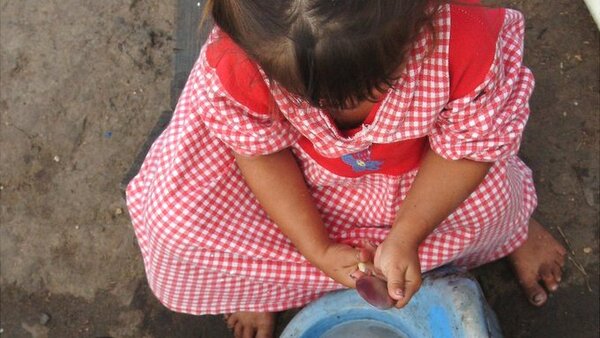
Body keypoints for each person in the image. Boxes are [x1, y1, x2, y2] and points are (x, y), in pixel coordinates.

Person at [126, 0, 567, 337]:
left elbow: (470, 149)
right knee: (177, 225)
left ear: (419, 21)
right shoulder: (241, 58)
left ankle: (513, 232)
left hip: (432, 170)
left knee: (491, 202)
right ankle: (256, 288)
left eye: (373, 87)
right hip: (300, 171)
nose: (342, 112)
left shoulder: (462, 37)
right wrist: (316, 246)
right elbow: (259, 152)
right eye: (311, 97)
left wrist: (409, 231)